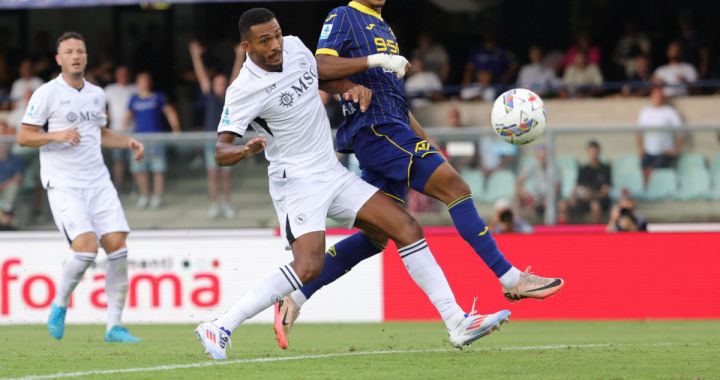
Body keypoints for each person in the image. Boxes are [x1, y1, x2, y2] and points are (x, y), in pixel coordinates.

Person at [194, 8, 510, 360]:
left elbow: (321, 76)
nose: (275, 44)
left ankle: (457, 322)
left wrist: (351, 88)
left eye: (277, 34)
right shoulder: (243, 89)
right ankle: (221, 325)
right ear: (247, 45)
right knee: (308, 265)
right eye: (265, 40)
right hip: (296, 182)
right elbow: (220, 150)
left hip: (331, 171)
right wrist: (244, 150)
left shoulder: (296, 48)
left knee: (405, 227)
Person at [275, 0, 564, 349]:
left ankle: (295, 297)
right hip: (376, 130)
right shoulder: (344, 16)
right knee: (457, 188)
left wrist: (427, 141)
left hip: (395, 127)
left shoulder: (383, 26)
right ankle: (511, 277)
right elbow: (319, 66)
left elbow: (396, 101)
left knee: (377, 235)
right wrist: (375, 61)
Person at [16, 31, 145, 343]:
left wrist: (127, 142)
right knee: (86, 249)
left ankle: (114, 327)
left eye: (80, 51)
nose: (75, 56)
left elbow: (98, 133)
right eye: (69, 52)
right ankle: (59, 304)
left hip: (98, 181)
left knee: (118, 246)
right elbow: (24, 136)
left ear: (86, 57)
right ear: (59, 59)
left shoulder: (96, 94)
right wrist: (55, 136)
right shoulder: (47, 93)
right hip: (64, 183)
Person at [188, 40, 245, 219]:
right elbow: (201, 74)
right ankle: (215, 203)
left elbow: (236, 75)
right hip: (210, 140)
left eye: (222, 83)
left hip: (226, 140)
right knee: (212, 174)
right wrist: (195, 55)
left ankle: (227, 203)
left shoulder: (230, 94)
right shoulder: (209, 95)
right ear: (213, 85)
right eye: (217, 83)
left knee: (226, 174)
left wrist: (239, 55)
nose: (220, 85)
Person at [126, 72, 181, 209]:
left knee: (158, 169)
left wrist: (175, 128)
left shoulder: (158, 97)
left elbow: (169, 111)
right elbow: (127, 116)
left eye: (146, 80)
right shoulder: (134, 99)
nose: (144, 82)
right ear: (137, 83)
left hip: (156, 139)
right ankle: (144, 196)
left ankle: (158, 197)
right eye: (141, 80)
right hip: (139, 139)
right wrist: (122, 132)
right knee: (140, 169)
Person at [636, 87, 684, 185]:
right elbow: (638, 132)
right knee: (644, 173)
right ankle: (646, 194)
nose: (658, 98)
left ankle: (651, 194)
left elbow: (682, 131)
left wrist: (675, 148)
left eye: (660, 96)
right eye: (656, 96)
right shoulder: (645, 112)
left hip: (664, 151)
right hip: (649, 151)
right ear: (651, 97)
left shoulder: (669, 111)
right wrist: (640, 149)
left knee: (654, 173)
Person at [560, 140, 611, 224]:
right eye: (591, 151)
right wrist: (571, 198)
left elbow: (605, 192)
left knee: (595, 205)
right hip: (584, 200)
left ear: (599, 152)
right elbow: (577, 186)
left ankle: (596, 233)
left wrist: (592, 195)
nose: (593, 154)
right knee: (563, 205)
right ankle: (565, 233)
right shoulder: (584, 169)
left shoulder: (605, 169)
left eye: (595, 151)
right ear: (587, 152)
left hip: (600, 200)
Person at [104, 65, 136, 189]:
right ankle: (118, 186)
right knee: (118, 160)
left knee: (135, 160)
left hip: (134, 130)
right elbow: (100, 106)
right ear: (116, 75)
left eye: (125, 73)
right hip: (116, 130)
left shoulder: (135, 88)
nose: (123, 76)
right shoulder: (110, 89)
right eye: (121, 74)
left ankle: (136, 187)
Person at [0, 120, 22, 229]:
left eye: (4, 132)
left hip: (7, 188)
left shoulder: (15, 159)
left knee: (13, 187)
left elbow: (18, 178)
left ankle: (6, 214)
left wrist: (4, 185)